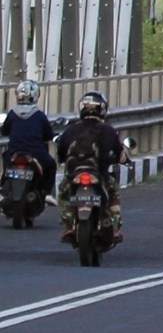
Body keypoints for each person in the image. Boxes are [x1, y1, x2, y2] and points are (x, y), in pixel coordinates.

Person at [55, 90, 123, 244]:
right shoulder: (108, 130)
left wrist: (63, 160)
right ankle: (114, 226)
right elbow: (120, 154)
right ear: (103, 110)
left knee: (63, 193)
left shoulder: (71, 129)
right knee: (113, 193)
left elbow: (61, 152)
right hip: (100, 175)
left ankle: (69, 225)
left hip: (74, 175)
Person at [1, 80, 55, 195]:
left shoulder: (12, 113)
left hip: (14, 152)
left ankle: (3, 185)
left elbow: (4, 131)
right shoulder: (39, 115)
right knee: (51, 165)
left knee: (6, 160)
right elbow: (49, 135)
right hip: (36, 153)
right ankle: (47, 193)